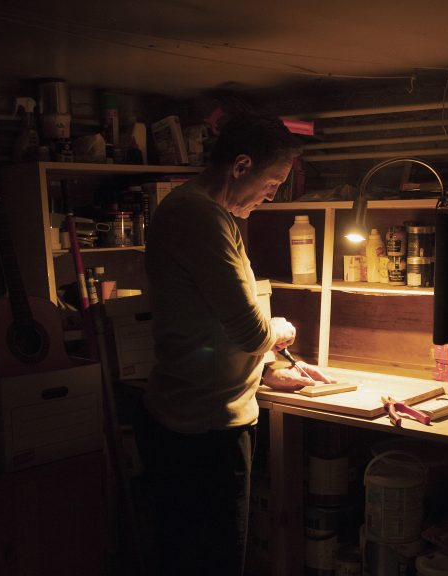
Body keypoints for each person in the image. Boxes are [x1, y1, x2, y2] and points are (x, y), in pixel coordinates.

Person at [134, 111, 333, 575]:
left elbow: (210, 323)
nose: (272, 195)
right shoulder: (199, 216)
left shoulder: (211, 215)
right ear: (241, 165)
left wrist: (266, 370)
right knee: (213, 560)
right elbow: (250, 331)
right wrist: (279, 330)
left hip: (196, 417)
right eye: (272, 182)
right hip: (201, 433)